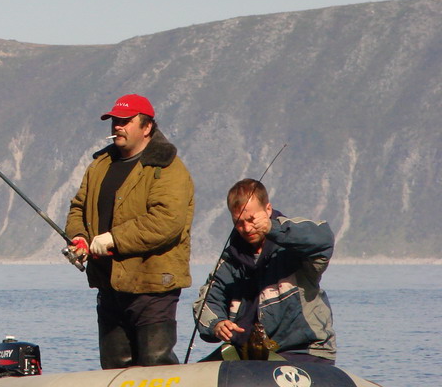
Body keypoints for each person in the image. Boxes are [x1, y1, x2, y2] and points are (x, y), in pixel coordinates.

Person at [64, 93, 194, 368]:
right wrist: (79, 238)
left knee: (155, 365)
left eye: (125, 121)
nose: (117, 126)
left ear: (147, 127)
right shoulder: (100, 165)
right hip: (109, 284)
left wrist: (114, 239)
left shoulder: (167, 167)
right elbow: (78, 207)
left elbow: (166, 221)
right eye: (114, 121)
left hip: (153, 286)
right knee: (114, 369)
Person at [193, 178, 336, 364]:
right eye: (238, 222)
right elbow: (208, 300)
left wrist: (273, 228)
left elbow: (323, 239)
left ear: (268, 209)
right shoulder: (229, 261)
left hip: (303, 351)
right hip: (248, 353)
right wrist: (217, 324)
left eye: (251, 220)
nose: (246, 228)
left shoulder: (296, 249)